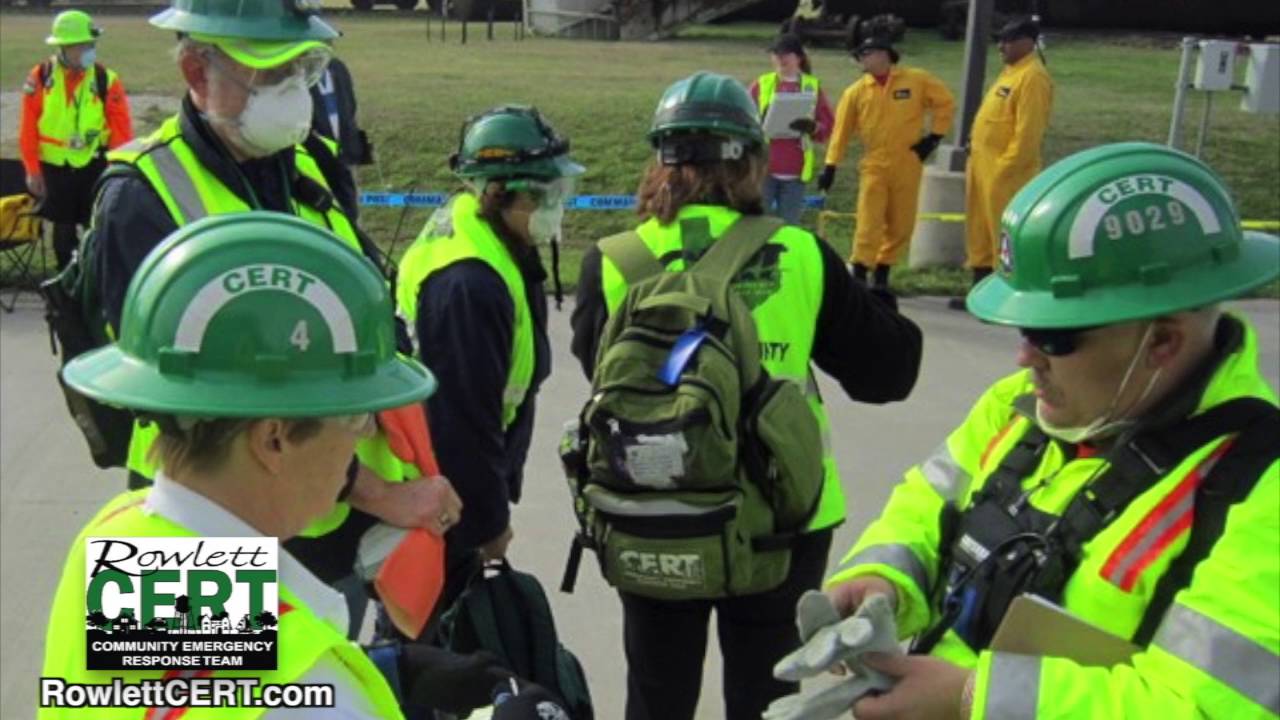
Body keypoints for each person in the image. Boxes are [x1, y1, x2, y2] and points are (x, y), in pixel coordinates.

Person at [820, 143, 1279, 719]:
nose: (1024, 358)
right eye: (1023, 329)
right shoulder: (1019, 409)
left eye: (1055, 337)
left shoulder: (1262, 490)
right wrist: (880, 582)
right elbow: (925, 506)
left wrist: (971, 700)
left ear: (1163, 340)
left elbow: (1208, 708)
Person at [83, 0, 460, 629]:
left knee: (327, 682)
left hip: (326, 523)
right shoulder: (140, 198)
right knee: (190, 691)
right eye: (268, 74)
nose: (292, 94)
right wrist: (383, 494)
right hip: (198, 534)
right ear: (196, 74)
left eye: (304, 70)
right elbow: (211, 418)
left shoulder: (308, 162)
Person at [569, 71, 924, 720]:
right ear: (753, 161)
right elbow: (888, 376)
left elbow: (596, 368)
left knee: (656, 690)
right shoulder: (801, 254)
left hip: (655, 510)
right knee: (765, 697)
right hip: (781, 520)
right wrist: (875, 287)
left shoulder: (611, 260)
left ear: (660, 162)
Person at [40, 212, 438, 719]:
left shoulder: (128, 536)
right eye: (357, 414)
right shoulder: (313, 692)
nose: (365, 433)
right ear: (274, 439)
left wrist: (380, 670)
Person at [394, 105, 581, 631]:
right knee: (428, 653)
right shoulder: (468, 284)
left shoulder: (485, 242)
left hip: (430, 497)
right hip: (440, 502)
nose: (558, 207)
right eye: (545, 193)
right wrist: (486, 524)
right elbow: (461, 422)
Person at [817, 37, 954, 294]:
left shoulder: (916, 80)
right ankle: (859, 271)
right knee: (869, 221)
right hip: (875, 164)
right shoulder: (855, 92)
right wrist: (830, 165)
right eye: (860, 55)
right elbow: (841, 132)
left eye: (866, 54)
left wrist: (934, 137)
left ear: (884, 55)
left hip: (907, 162)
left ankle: (883, 271)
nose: (862, 59)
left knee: (902, 223)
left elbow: (945, 102)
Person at [949, 15, 1052, 310]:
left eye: (1007, 41)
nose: (1000, 47)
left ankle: (1003, 298)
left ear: (1027, 42)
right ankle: (979, 291)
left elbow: (1028, 132)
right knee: (980, 233)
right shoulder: (1010, 72)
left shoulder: (1033, 76)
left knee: (1002, 236)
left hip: (1006, 172)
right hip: (982, 165)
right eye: (999, 40)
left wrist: (1007, 168)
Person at [19, 10, 132, 271]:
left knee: (96, 227)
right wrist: (32, 169)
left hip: (95, 164)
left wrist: (118, 168)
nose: (91, 50)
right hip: (55, 167)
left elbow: (121, 130)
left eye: (92, 45)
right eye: (85, 45)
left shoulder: (106, 79)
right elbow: (28, 127)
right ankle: (65, 284)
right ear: (66, 47)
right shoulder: (40, 76)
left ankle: (93, 282)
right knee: (63, 229)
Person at [748, 34, 834, 225]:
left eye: (785, 54)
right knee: (759, 226)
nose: (780, 58)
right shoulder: (761, 84)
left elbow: (828, 126)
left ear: (799, 58)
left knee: (789, 229)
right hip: (764, 169)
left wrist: (813, 127)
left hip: (796, 172)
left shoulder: (812, 86)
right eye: (776, 54)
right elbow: (742, 118)